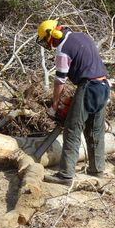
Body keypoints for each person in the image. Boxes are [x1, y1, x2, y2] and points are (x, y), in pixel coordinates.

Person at [36, 19, 110, 186]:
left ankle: (66, 175)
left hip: (89, 87)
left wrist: (55, 105)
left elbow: (60, 81)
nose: (50, 45)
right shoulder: (82, 36)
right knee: (95, 130)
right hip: (104, 85)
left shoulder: (63, 49)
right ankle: (97, 170)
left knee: (72, 129)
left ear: (51, 36)